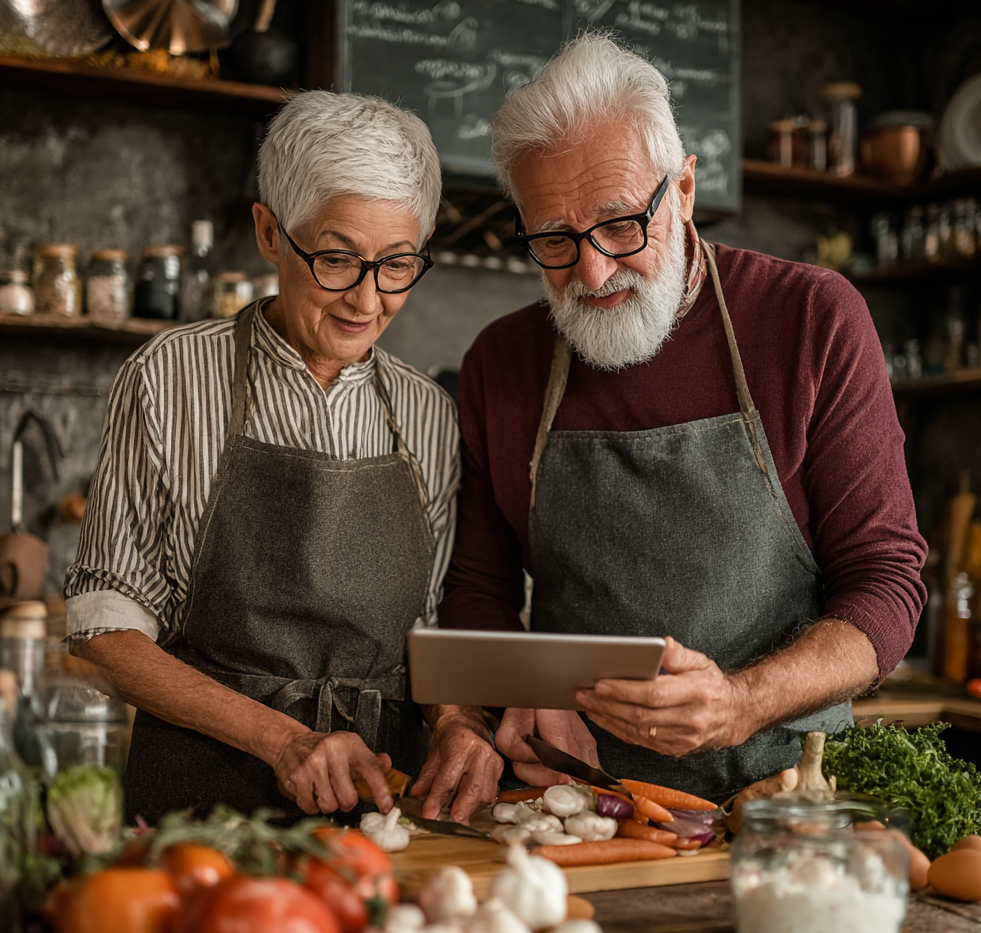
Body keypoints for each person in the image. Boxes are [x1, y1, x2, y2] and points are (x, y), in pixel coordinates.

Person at [439, 35, 927, 804]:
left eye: (621, 225)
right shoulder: (501, 363)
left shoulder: (812, 320)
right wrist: (479, 712)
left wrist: (741, 703)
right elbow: (476, 589)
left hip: (778, 807)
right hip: (577, 803)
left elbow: (888, 585)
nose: (591, 272)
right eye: (554, 241)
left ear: (686, 191)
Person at [66, 91, 502, 825]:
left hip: (376, 815)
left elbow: (425, 633)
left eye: (396, 264)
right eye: (336, 259)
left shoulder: (427, 411)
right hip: (196, 815)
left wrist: (461, 721)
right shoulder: (169, 376)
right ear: (270, 232)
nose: (367, 299)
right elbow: (103, 633)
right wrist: (284, 741)